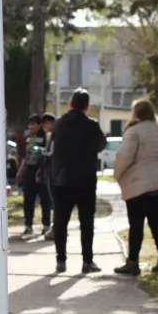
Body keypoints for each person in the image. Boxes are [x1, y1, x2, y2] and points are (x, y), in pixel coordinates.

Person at [112, 100, 158, 276]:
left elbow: (125, 156)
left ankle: (133, 262)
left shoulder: (133, 132)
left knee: (136, 224)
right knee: (156, 222)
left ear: (136, 113)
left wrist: (117, 174)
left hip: (140, 182)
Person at [50, 89, 107, 274]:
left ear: (70, 104)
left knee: (60, 222)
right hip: (85, 180)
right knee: (86, 223)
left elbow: (53, 146)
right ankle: (87, 261)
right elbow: (101, 145)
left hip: (62, 179)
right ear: (87, 106)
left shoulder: (59, 124)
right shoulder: (92, 125)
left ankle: (61, 260)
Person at [18, 115, 51, 236]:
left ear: (39, 125)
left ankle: (46, 225)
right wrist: (20, 171)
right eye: (30, 124)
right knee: (28, 200)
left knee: (44, 200)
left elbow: (46, 155)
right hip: (29, 171)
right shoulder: (27, 137)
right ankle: (28, 225)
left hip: (41, 172)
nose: (31, 126)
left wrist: (42, 171)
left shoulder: (45, 137)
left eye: (34, 124)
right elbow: (24, 157)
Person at [40, 114, 57, 241]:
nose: (45, 127)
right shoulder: (51, 135)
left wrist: (44, 153)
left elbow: (51, 152)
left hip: (54, 172)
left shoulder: (55, 136)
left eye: (46, 124)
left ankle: (57, 227)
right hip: (50, 172)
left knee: (55, 202)